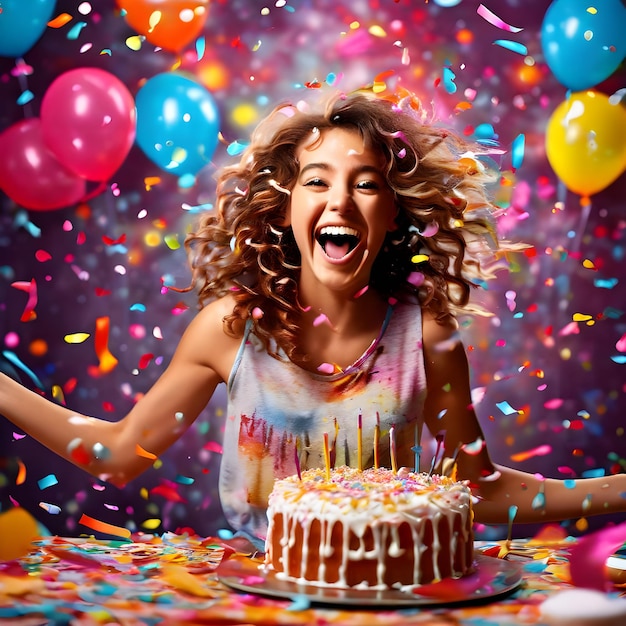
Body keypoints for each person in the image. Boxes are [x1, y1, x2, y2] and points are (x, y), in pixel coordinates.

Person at [1, 89, 624, 544]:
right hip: (253, 602)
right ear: (286, 206)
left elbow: (479, 489)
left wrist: (617, 491)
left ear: (394, 215)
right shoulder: (230, 329)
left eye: (366, 184)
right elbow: (117, 453)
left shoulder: (428, 338)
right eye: (317, 181)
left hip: (389, 603)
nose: (339, 201)